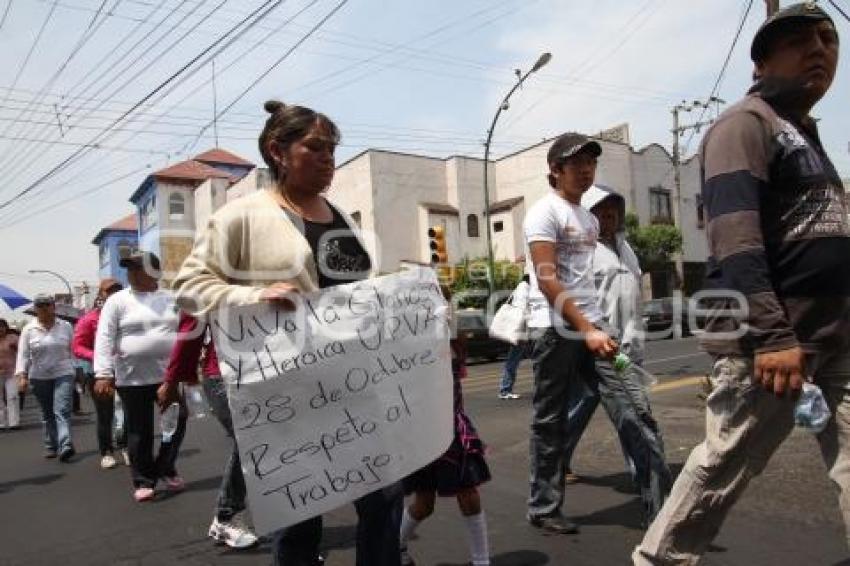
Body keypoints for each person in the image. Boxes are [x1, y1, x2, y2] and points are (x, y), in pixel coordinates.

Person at [635, 5, 848, 563]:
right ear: (760, 64)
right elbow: (736, 238)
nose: (819, 50)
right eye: (799, 40)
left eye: (828, 39)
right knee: (722, 469)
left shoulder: (807, 136)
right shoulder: (745, 124)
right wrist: (774, 336)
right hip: (774, 343)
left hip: (834, 339)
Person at [172, 100, 403, 566]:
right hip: (286, 396)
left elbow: (355, 292)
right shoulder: (241, 216)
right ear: (278, 151)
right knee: (299, 518)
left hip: (353, 386)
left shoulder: (340, 216)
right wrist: (251, 296)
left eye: (333, 150)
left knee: (383, 500)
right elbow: (188, 287)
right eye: (315, 148)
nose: (328, 159)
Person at [524, 132, 671, 534]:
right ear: (555, 170)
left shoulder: (587, 219)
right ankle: (544, 506)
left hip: (593, 330)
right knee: (550, 421)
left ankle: (662, 510)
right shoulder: (544, 213)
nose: (586, 170)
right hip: (556, 333)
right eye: (577, 164)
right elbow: (547, 280)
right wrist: (587, 327)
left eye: (591, 163)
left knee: (634, 409)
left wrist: (598, 326)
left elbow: (585, 281)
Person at [561, 185, 671, 515]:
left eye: (614, 209)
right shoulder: (581, 251)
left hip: (629, 347)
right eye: (602, 209)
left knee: (606, 410)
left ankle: (643, 478)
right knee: (632, 416)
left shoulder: (626, 249)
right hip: (600, 348)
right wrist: (593, 335)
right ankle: (649, 483)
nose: (609, 215)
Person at [400, 288, 491, 566]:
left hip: (453, 428)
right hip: (421, 432)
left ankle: (482, 561)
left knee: (469, 493)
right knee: (424, 503)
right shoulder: (407, 343)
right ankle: (396, 546)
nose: (445, 308)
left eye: (446, 302)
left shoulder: (452, 340)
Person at [158, 312, 259, 550]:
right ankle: (226, 516)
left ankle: (296, 535)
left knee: (274, 442)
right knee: (250, 440)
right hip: (225, 375)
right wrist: (172, 381)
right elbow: (190, 329)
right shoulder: (211, 277)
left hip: (271, 370)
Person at [93, 251, 187, 502]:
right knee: (139, 431)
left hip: (169, 377)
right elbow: (104, 336)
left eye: (138, 268)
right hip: (131, 378)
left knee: (176, 425)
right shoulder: (117, 301)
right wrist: (103, 374)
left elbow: (187, 332)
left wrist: (187, 368)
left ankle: (165, 467)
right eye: (129, 268)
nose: (131, 273)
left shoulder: (171, 298)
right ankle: (144, 480)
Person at [73, 278, 128, 469]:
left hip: (127, 371)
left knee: (129, 412)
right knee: (106, 415)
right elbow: (77, 346)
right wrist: (98, 355)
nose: (114, 293)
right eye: (109, 291)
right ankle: (106, 452)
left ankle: (127, 447)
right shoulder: (89, 319)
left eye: (117, 290)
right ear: (101, 295)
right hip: (100, 374)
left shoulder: (129, 315)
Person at [15, 293, 76, 460]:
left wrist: (77, 370)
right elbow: (23, 355)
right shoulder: (29, 329)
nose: (43, 308)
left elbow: (72, 350)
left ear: (53, 307)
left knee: (62, 409)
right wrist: (22, 376)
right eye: (40, 305)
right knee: (47, 412)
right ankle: (51, 444)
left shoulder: (65, 326)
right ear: (35, 309)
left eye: (47, 305)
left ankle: (65, 445)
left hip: (63, 372)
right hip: (39, 375)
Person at [498, 275, 530, 400]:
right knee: (513, 359)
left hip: (521, 330)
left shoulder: (522, 288)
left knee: (514, 359)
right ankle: (505, 389)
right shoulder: (524, 288)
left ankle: (505, 389)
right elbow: (522, 310)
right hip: (520, 330)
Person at [1, 320, 21, 430]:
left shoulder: (13, 338)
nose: (0, 329)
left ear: (6, 327)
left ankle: (14, 422)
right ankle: (1, 423)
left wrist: (15, 348)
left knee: (12, 396)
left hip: (12, 372)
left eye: (2, 327)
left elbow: (23, 352)